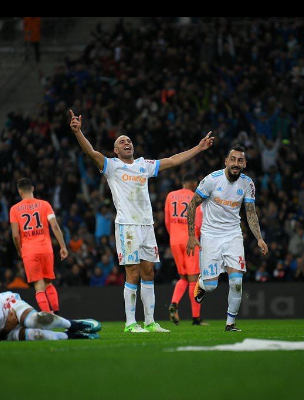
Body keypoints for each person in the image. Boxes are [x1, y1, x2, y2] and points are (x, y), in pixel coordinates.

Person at [69, 109, 214, 333]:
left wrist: (199, 147)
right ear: (115, 150)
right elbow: (90, 152)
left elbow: (173, 160)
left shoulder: (143, 165)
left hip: (146, 226)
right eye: (121, 141)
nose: (127, 142)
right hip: (127, 226)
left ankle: (150, 321)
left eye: (129, 140)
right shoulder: (111, 166)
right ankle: (129, 322)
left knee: (149, 272)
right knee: (133, 273)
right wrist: (78, 132)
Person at [186, 145, 268, 332]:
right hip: (210, 235)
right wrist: (192, 235)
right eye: (233, 159)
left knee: (237, 281)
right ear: (226, 161)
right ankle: (202, 283)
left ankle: (230, 323)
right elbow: (192, 206)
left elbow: (250, 213)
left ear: (245, 164)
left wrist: (259, 238)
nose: (236, 163)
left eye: (240, 160)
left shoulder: (248, 184)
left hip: (233, 235)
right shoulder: (211, 181)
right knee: (211, 286)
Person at [0, 289, 100, 343]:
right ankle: (76, 336)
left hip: (6, 304)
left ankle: (74, 324)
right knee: (35, 335)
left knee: (34, 320)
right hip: (4, 328)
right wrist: (7, 328)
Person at [10, 178, 68, 315]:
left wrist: (19, 249)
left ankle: (48, 316)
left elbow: (15, 235)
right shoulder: (45, 204)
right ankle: (56, 312)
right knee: (49, 282)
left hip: (29, 250)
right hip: (45, 248)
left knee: (39, 286)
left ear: (19, 191)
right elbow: (54, 226)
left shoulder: (14, 209)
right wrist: (62, 246)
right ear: (33, 189)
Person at [165, 173, 205, 326]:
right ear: (194, 184)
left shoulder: (170, 196)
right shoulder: (196, 198)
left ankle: (174, 304)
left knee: (183, 278)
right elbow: (199, 224)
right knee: (194, 280)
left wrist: (174, 236)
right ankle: (196, 318)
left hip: (174, 241)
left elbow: (167, 221)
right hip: (190, 241)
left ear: (182, 182)